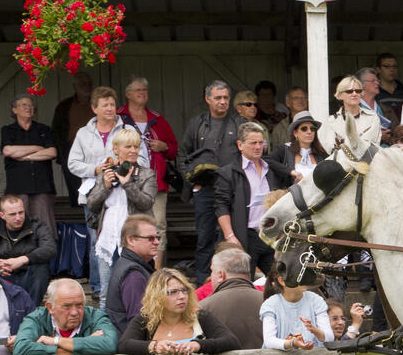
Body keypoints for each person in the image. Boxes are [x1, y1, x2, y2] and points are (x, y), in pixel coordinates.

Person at [177, 80, 244, 284]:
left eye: (226, 98)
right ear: (207, 99)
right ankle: (202, 284)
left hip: (232, 190)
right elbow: (182, 154)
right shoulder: (197, 123)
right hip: (205, 189)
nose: (223, 102)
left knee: (233, 237)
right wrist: (191, 181)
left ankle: (234, 280)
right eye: (218, 98)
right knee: (205, 238)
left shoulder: (239, 123)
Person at [83, 127, 154, 293]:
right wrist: (106, 186)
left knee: (139, 289)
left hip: (136, 236)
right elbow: (92, 204)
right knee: (106, 291)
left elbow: (146, 203)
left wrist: (127, 183)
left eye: (136, 147)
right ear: (116, 149)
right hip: (109, 236)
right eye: (128, 147)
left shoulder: (146, 174)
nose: (133, 151)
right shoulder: (107, 173)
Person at [216, 122, 291, 275]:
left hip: (270, 233)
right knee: (243, 279)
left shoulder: (271, 170)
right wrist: (230, 236)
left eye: (261, 143)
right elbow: (221, 206)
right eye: (253, 143)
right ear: (240, 145)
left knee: (279, 279)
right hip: (245, 235)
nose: (258, 147)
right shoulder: (229, 172)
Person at [119, 77, 179, 265]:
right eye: (138, 90)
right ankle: (129, 265)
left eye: (145, 90)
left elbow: (174, 149)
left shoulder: (157, 119)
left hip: (157, 182)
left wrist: (163, 147)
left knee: (158, 226)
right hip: (126, 182)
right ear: (128, 94)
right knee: (128, 226)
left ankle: (157, 269)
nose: (142, 93)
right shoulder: (119, 117)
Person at [0, 94, 60, 239]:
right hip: (18, 186)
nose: (29, 108)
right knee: (18, 227)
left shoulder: (43, 129)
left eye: (31, 106)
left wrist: (24, 156)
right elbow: (8, 151)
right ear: (14, 110)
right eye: (24, 105)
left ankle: (45, 259)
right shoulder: (8, 130)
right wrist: (37, 147)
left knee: (45, 230)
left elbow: (52, 152)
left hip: (42, 185)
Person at [0, 194, 56, 305]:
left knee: (41, 268)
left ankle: (32, 310)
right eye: (12, 214)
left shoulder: (37, 226)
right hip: (3, 276)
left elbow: (50, 248)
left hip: (29, 276)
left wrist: (23, 259)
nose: (18, 218)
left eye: (21, 212)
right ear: (2, 215)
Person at [104, 214, 159, 334]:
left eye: (157, 237)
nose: (157, 242)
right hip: (133, 346)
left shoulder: (130, 264)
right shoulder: (133, 275)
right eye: (150, 238)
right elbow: (139, 322)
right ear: (131, 240)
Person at [50, 71, 94, 205]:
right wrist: (61, 153)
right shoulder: (64, 106)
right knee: (76, 190)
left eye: (88, 84)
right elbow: (56, 130)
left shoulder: (99, 104)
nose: (86, 86)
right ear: (75, 86)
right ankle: (79, 222)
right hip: (71, 150)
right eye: (82, 83)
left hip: (95, 149)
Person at [323, 75, 383, 156]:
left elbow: (372, 146)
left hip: (367, 162)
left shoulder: (372, 117)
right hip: (341, 164)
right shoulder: (331, 121)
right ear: (340, 95)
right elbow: (330, 149)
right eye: (349, 91)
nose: (354, 94)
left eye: (358, 91)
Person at [275, 110, 326, 182]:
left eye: (312, 129)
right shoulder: (283, 149)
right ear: (295, 133)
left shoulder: (321, 153)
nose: (309, 132)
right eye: (304, 129)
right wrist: (290, 171)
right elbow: (268, 161)